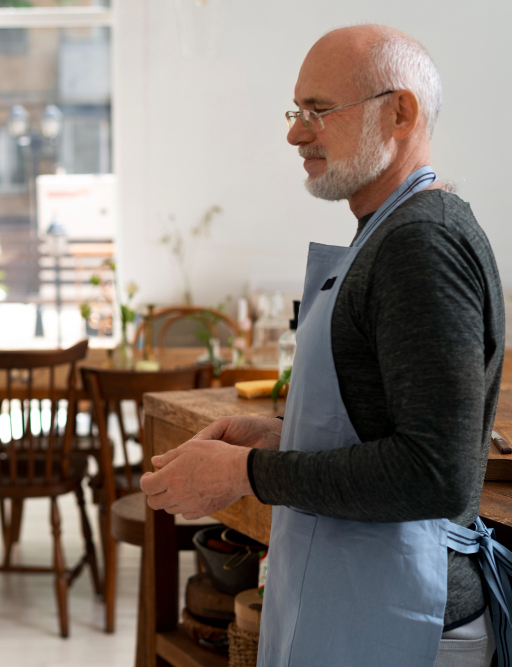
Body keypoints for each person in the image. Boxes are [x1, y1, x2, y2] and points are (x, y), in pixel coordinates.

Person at [140, 25, 510, 667]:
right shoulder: (387, 233)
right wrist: (281, 438)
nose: (295, 132)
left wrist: (243, 473)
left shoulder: (423, 243)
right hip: (357, 604)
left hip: (407, 622)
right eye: (296, 110)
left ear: (401, 112)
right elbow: (381, 425)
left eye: (319, 111)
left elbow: (436, 473)